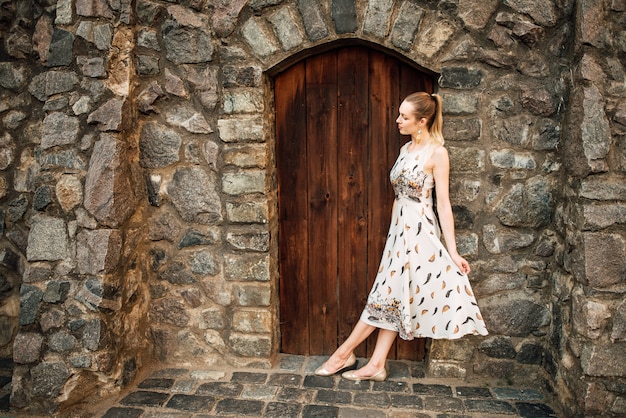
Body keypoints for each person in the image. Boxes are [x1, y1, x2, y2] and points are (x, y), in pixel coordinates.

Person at [314, 92, 488, 381]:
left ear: (422, 121)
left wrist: (453, 252)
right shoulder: (405, 150)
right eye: (399, 115)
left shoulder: (437, 153)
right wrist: (392, 236)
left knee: (384, 295)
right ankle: (376, 365)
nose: (398, 120)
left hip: (421, 233)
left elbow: (442, 204)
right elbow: (397, 198)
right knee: (393, 297)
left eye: (404, 117)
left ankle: (344, 353)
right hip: (400, 234)